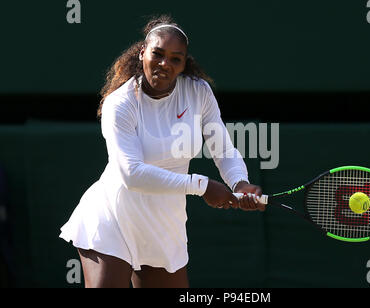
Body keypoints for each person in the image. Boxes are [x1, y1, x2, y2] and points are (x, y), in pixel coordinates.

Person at [59, 15, 265, 288]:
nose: (164, 64)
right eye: (157, 54)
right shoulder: (119, 103)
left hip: (164, 225)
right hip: (113, 218)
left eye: (175, 59)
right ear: (142, 53)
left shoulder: (198, 92)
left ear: (184, 64)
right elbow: (131, 174)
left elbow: (223, 149)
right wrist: (202, 186)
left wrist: (240, 182)